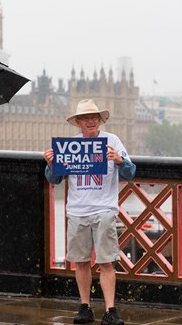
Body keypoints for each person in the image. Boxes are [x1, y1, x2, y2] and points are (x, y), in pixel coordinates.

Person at [43, 99, 136, 325]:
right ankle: (84, 307)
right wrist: (51, 164)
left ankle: (110, 310)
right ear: (78, 123)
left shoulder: (112, 141)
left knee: (106, 262)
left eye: (94, 117)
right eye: (85, 118)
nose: (90, 121)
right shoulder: (69, 146)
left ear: (100, 120)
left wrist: (120, 160)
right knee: (81, 262)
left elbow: (130, 173)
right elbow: (53, 179)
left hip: (104, 209)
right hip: (77, 211)